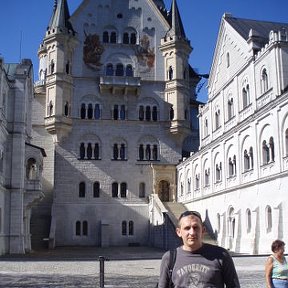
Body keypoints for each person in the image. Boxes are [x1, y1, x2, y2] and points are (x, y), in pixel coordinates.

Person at [158, 211, 240, 288]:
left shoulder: (221, 255)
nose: (192, 232)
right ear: (179, 232)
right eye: (187, 228)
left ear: (203, 230)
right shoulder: (169, 258)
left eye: (195, 227)